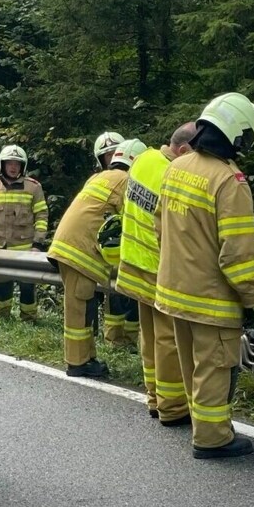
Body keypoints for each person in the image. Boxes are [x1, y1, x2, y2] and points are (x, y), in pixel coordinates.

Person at [154, 92, 254, 459]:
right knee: (214, 368)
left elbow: (161, 228)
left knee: (191, 365)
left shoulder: (177, 168)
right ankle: (212, 438)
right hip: (212, 299)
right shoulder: (230, 181)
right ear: (236, 135)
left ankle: (203, 423)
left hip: (174, 292)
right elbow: (237, 256)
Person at [116, 122, 197, 423]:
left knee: (148, 336)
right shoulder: (171, 173)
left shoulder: (143, 160)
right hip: (158, 266)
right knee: (168, 340)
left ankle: (154, 396)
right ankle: (173, 407)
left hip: (133, 262)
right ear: (183, 150)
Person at [48, 132, 130, 377]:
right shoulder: (125, 180)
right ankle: (78, 363)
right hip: (80, 251)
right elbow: (135, 219)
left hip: (72, 248)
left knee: (84, 309)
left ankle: (85, 358)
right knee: (80, 309)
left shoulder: (101, 178)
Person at [0, 144, 48, 322]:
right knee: (1, 287)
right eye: (10, 163)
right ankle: (2, 318)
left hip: (26, 250)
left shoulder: (33, 188)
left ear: (23, 166)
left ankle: (29, 319)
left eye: (17, 164)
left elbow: (42, 216)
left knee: (28, 286)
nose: (13, 167)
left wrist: (38, 244)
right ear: (2, 165)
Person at [91, 132, 139, 347]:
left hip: (131, 250)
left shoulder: (134, 181)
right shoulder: (96, 181)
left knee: (133, 300)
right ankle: (114, 340)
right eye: (107, 155)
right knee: (114, 298)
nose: (112, 159)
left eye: (116, 153)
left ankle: (131, 340)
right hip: (106, 251)